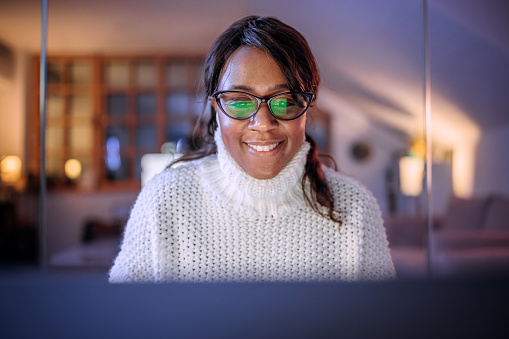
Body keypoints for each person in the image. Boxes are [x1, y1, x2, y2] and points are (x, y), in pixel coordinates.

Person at [109, 16, 395, 283]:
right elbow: (121, 321)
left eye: (284, 100)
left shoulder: (353, 208)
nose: (262, 124)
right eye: (240, 101)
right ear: (216, 109)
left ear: (307, 107)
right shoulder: (166, 202)